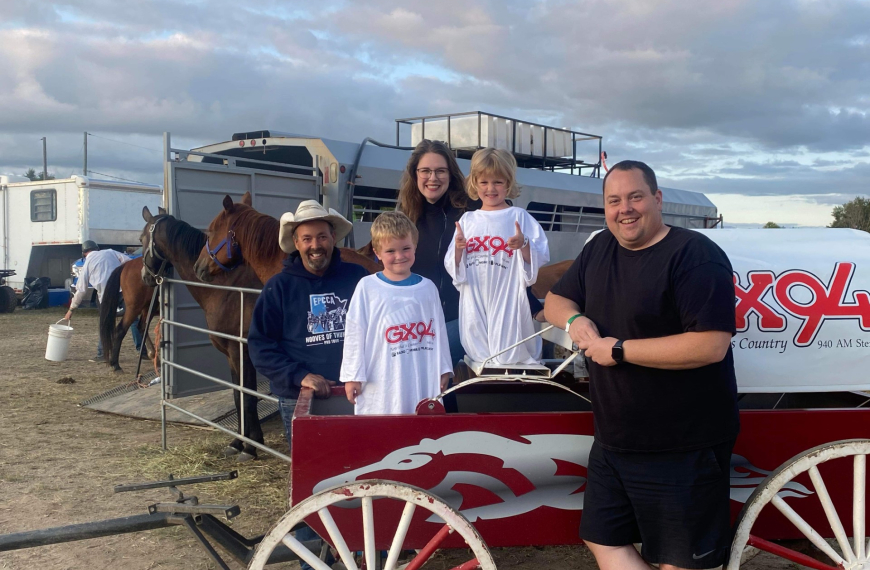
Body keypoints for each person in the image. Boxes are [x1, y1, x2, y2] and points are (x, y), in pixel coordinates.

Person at [544, 160, 739, 570]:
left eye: (635, 197)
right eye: (614, 201)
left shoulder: (696, 255)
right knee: (602, 540)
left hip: (684, 445)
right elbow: (555, 301)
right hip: (614, 441)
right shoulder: (599, 248)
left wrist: (619, 350)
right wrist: (576, 322)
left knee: (681, 563)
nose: (624, 209)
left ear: (657, 198)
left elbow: (710, 346)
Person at [396, 139, 545, 367]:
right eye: (425, 171)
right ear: (414, 173)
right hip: (421, 322)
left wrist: (535, 308)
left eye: (440, 171)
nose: (433, 178)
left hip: (464, 318)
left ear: (451, 174)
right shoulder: (407, 219)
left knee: (429, 356)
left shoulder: (473, 211)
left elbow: (504, 266)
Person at [248, 200, 367, 446]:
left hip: (356, 393)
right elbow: (260, 347)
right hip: (299, 397)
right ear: (296, 242)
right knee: (311, 471)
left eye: (322, 237)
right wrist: (300, 375)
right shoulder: (278, 287)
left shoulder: (359, 279)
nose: (315, 245)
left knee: (360, 465)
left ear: (333, 237)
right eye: (307, 238)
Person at [445, 147, 549, 365]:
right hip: (475, 298)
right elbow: (453, 267)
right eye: (484, 182)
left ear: (508, 184)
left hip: (508, 297)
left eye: (498, 182)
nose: (490, 188)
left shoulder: (519, 216)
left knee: (509, 350)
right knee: (479, 350)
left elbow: (541, 255)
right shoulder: (467, 220)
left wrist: (524, 244)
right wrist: (458, 249)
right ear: (474, 183)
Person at [341, 211, 452, 414]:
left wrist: (444, 368)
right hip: (381, 379)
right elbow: (355, 333)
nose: (399, 256)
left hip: (421, 373)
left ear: (415, 247)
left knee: (421, 431)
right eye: (391, 251)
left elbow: (439, 331)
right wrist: (352, 375)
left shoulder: (428, 288)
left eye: (406, 248)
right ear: (377, 252)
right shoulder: (367, 287)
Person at [64, 240, 140, 361]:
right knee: (133, 319)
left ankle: (102, 354)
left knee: (105, 323)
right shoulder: (110, 252)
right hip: (123, 291)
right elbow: (129, 262)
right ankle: (142, 350)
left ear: (84, 253)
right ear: (97, 248)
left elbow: (81, 290)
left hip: (106, 296)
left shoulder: (87, 263)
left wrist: (71, 309)